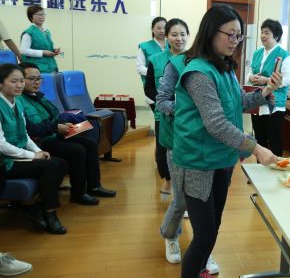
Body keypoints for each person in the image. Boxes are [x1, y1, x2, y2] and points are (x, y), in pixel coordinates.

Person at [170, 4, 281, 278]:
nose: (235, 41)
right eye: (230, 34)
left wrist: (265, 92)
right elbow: (216, 123)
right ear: (211, 32)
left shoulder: (224, 68)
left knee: (214, 225)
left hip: (220, 159)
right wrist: (256, 147)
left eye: (239, 35)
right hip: (197, 162)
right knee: (204, 233)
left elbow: (237, 104)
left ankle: (200, 273)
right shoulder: (198, 73)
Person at [146, 18, 220, 273]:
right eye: (174, 34)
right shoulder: (167, 63)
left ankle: (202, 249)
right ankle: (170, 235)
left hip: (202, 142)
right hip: (176, 139)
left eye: (183, 34)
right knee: (180, 200)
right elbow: (161, 101)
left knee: (202, 198)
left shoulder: (200, 62)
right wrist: (186, 108)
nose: (179, 38)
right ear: (166, 37)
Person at [18, 62, 116, 205]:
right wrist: (55, 127)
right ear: (21, 80)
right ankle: (78, 193)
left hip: (53, 135)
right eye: (32, 79)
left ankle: (94, 186)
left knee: (89, 144)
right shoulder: (19, 101)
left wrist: (64, 124)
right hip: (39, 142)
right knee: (77, 150)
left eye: (39, 78)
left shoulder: (38, 96)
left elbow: (54, 115)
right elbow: (30, 129)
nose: (37, 82)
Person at [0, 64, 68, 234]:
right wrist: (32, 155)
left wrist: (38, 151)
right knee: (51, 166)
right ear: (0, 84)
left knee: (60, 163)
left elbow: (24, 135)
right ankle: (49, 214)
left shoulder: (16, 103)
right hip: (5, 161)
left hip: (17, 155)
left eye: (21, 81)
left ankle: (37, 207)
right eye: (13, 81)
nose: (19, 85)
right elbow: (1, 145)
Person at [247, 19, 290, 156]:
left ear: (276, 36)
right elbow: (249, 73)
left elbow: (289, 80)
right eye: (262, 32)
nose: (263, 35)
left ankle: (276, 168)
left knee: (274, 141)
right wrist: (252, 77)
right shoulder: (257, 53)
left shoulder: (284, 56)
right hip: (257, 102)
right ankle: (259, 169)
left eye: (267, 33)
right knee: (259, 141)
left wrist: (266, 80)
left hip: (274, 105)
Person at [136, 16, 170, 194]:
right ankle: (162, 162)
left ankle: (165, 160)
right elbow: (139, 67)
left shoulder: (172, 45)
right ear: (152, 29)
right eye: (158, 27)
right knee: (162, 125)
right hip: (154, 93)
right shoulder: (145, 47)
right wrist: (156, 70)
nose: (162, 31)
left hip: (173, 97)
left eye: (164, 27)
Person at [19, 5, 60, 73]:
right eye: (38, 14)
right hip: (37, 69)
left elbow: (43, 47)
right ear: (31, 17)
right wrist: (42, 52)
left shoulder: (46, 31)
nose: (41, 17)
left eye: (43, 14)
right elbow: (23, 50)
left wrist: (53, 50)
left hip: (51, 66)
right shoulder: (29, 32)